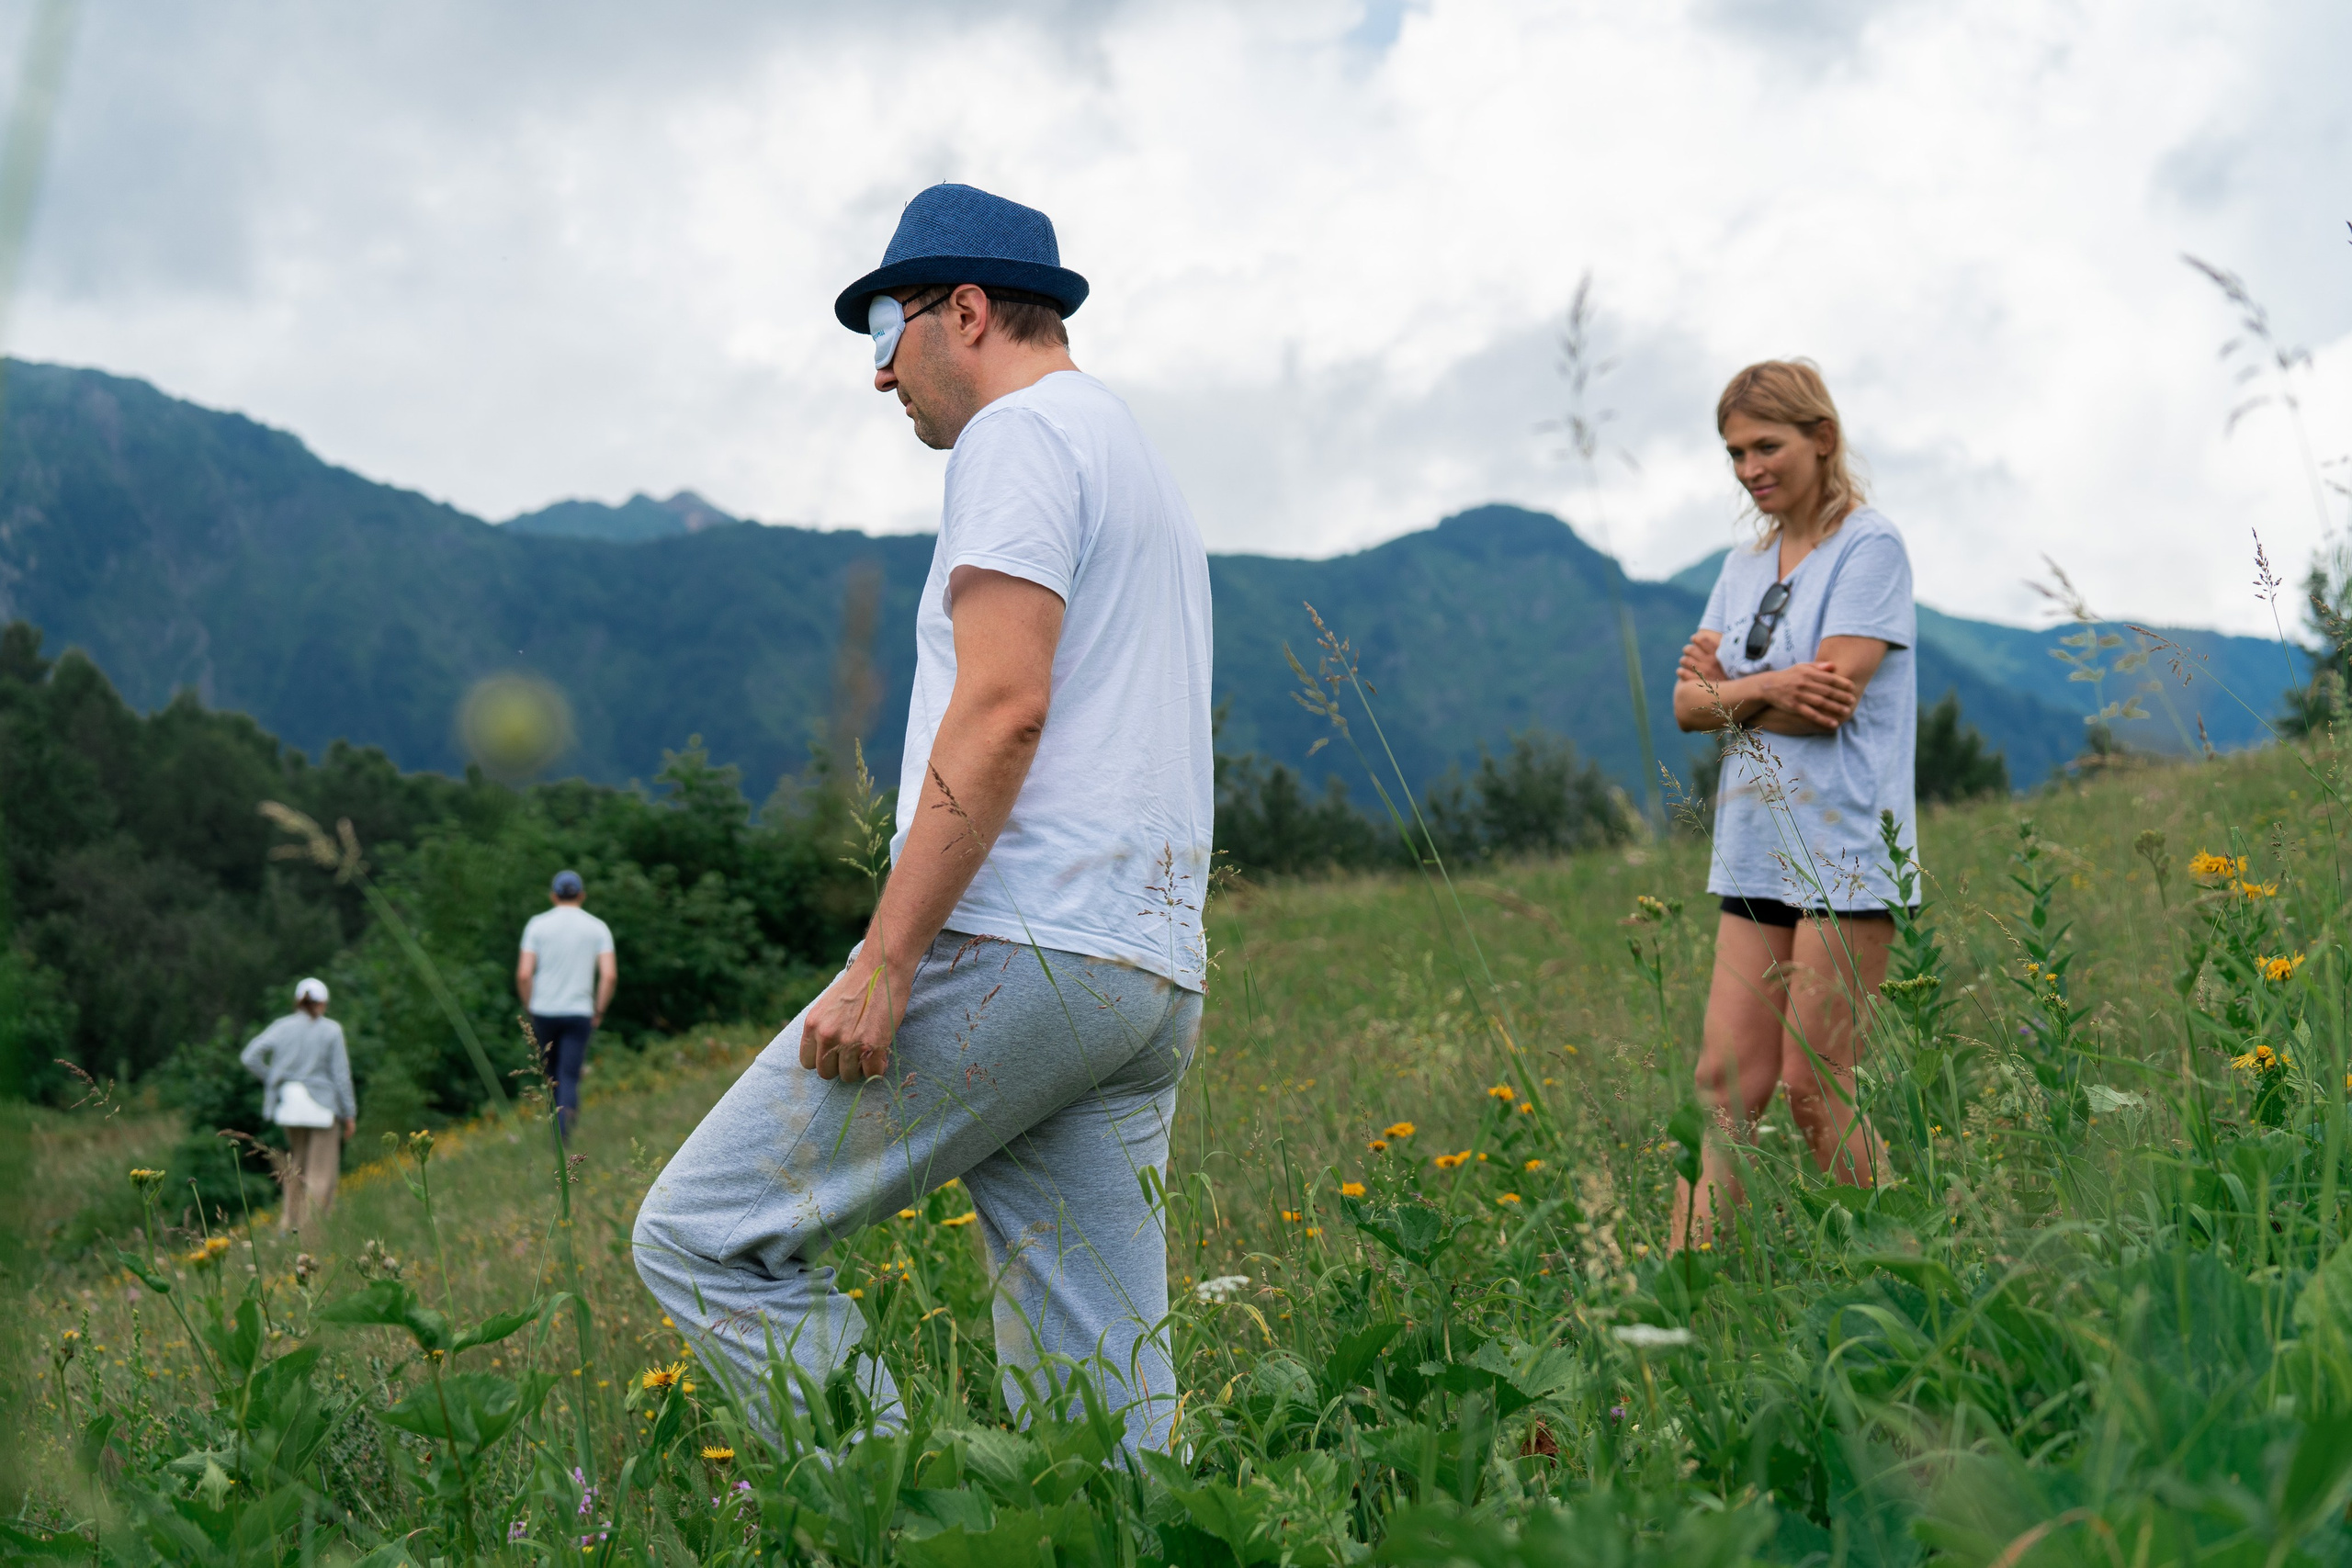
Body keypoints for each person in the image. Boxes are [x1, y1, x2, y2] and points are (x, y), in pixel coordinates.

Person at [633, 183, 1213, 1453]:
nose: (880, 372)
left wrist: (886, 960)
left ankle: (894, 1521)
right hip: (1143, 969)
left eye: (884, 329)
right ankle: (1136, 1532)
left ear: (965, 311)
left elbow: (1002, 707)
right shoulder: (1128, 453)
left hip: (1022, 939)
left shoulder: (1019, 437)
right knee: (1104, 1387)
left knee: (704, 1238)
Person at [1668, 359, 1917, 1250]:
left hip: (1845, 849)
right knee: (1723, 1086)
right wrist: (1773, 684)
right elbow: (1685, 706)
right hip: (1753, 845)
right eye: (1735, 453)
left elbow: (1829, 705)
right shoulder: (1742, 567)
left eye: (1765, 446)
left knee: (1816, 1083)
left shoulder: (1869, 549)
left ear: (1822, 438)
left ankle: (1904, 1272)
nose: (1749, 469)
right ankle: (1682, 1289)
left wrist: (1732, 696)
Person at [240, 977, 356, 1234]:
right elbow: (341, 1076)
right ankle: (311, 1229)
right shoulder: (331, 1030)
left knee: (295, 1166)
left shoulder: (282, 1026)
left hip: (290, 1105)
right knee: (320, 1172)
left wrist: (274, 1079)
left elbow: (250, 1056)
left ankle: (288, 1224)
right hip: (323, 1108)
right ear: (323, 1003)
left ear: (297, 1001)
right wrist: (349, 1114)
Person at [517, 869, 616, 1137]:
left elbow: (524, 974)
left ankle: (557, 1134)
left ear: (554, 896)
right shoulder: (597, 927)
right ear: (581, 896)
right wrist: (599, 1010)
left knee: (550, 1075)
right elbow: (609, 975)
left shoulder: (537, 925)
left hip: (544, 1011)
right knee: (570, 1075)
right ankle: (565, 1134)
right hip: (579, 1012)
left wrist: (529, 1007)